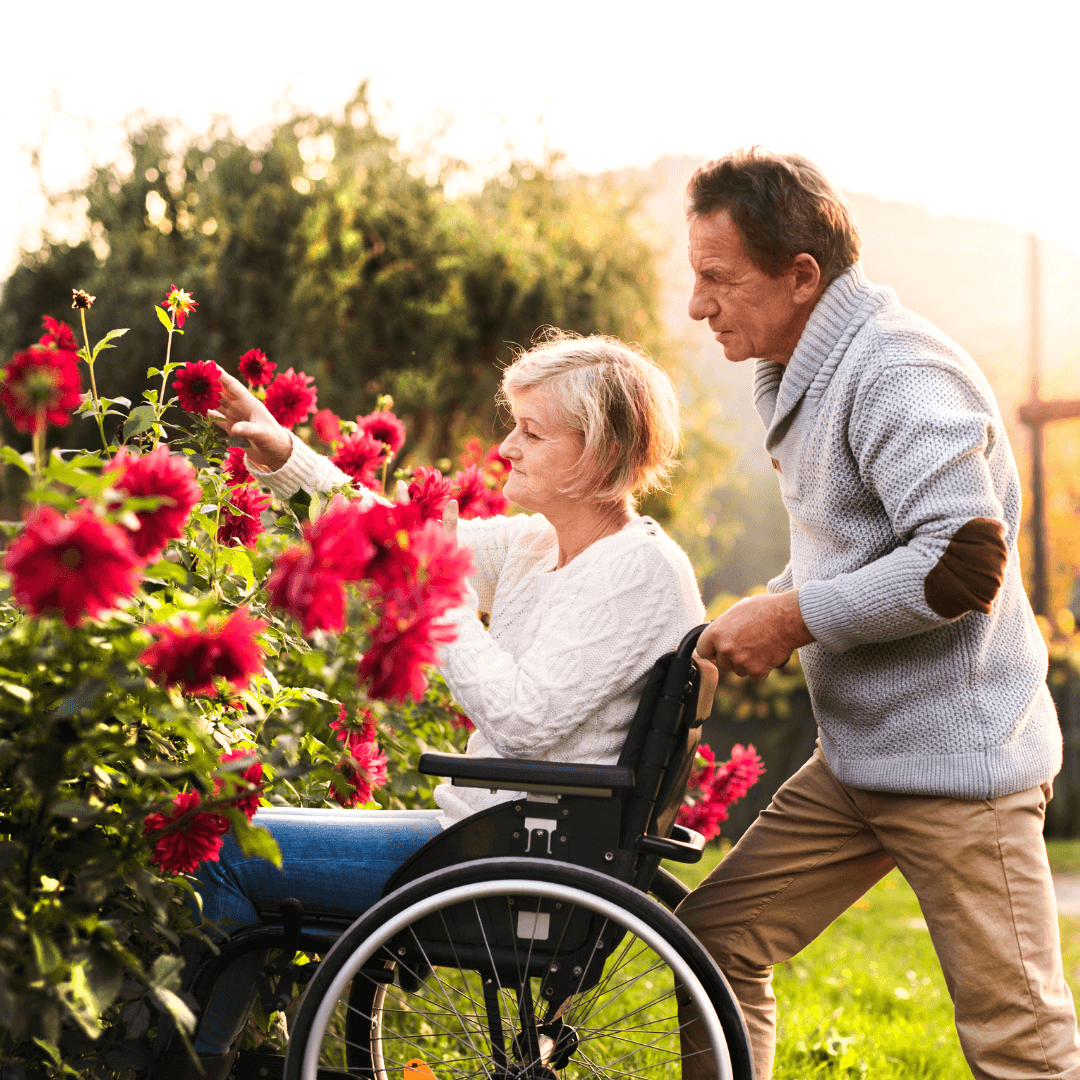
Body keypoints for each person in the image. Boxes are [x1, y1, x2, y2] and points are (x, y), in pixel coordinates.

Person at [153, 332, 706, 1079]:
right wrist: (286, 455)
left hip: (513, 860)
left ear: (600, 453)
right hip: (499, 840)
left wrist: (437, 590)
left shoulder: (635, 572)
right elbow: (394, 541)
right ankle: (224, 1055)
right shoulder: (543, 543)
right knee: (231, 832)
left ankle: (187, 1066)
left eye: (532, 432)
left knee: (220, 847)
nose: (506, 446)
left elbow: (523, 717)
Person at [674, 146, 1080, 1080]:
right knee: (712, 951)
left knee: (1020, 1045)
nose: (699, 304)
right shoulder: (809, 366)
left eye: (717, 279)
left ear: (802, 274)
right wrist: (777, 600)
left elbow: (961, 561)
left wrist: (793, 620)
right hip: (860, 762)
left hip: (960, 770)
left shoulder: (893, 369)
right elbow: (859, 546)